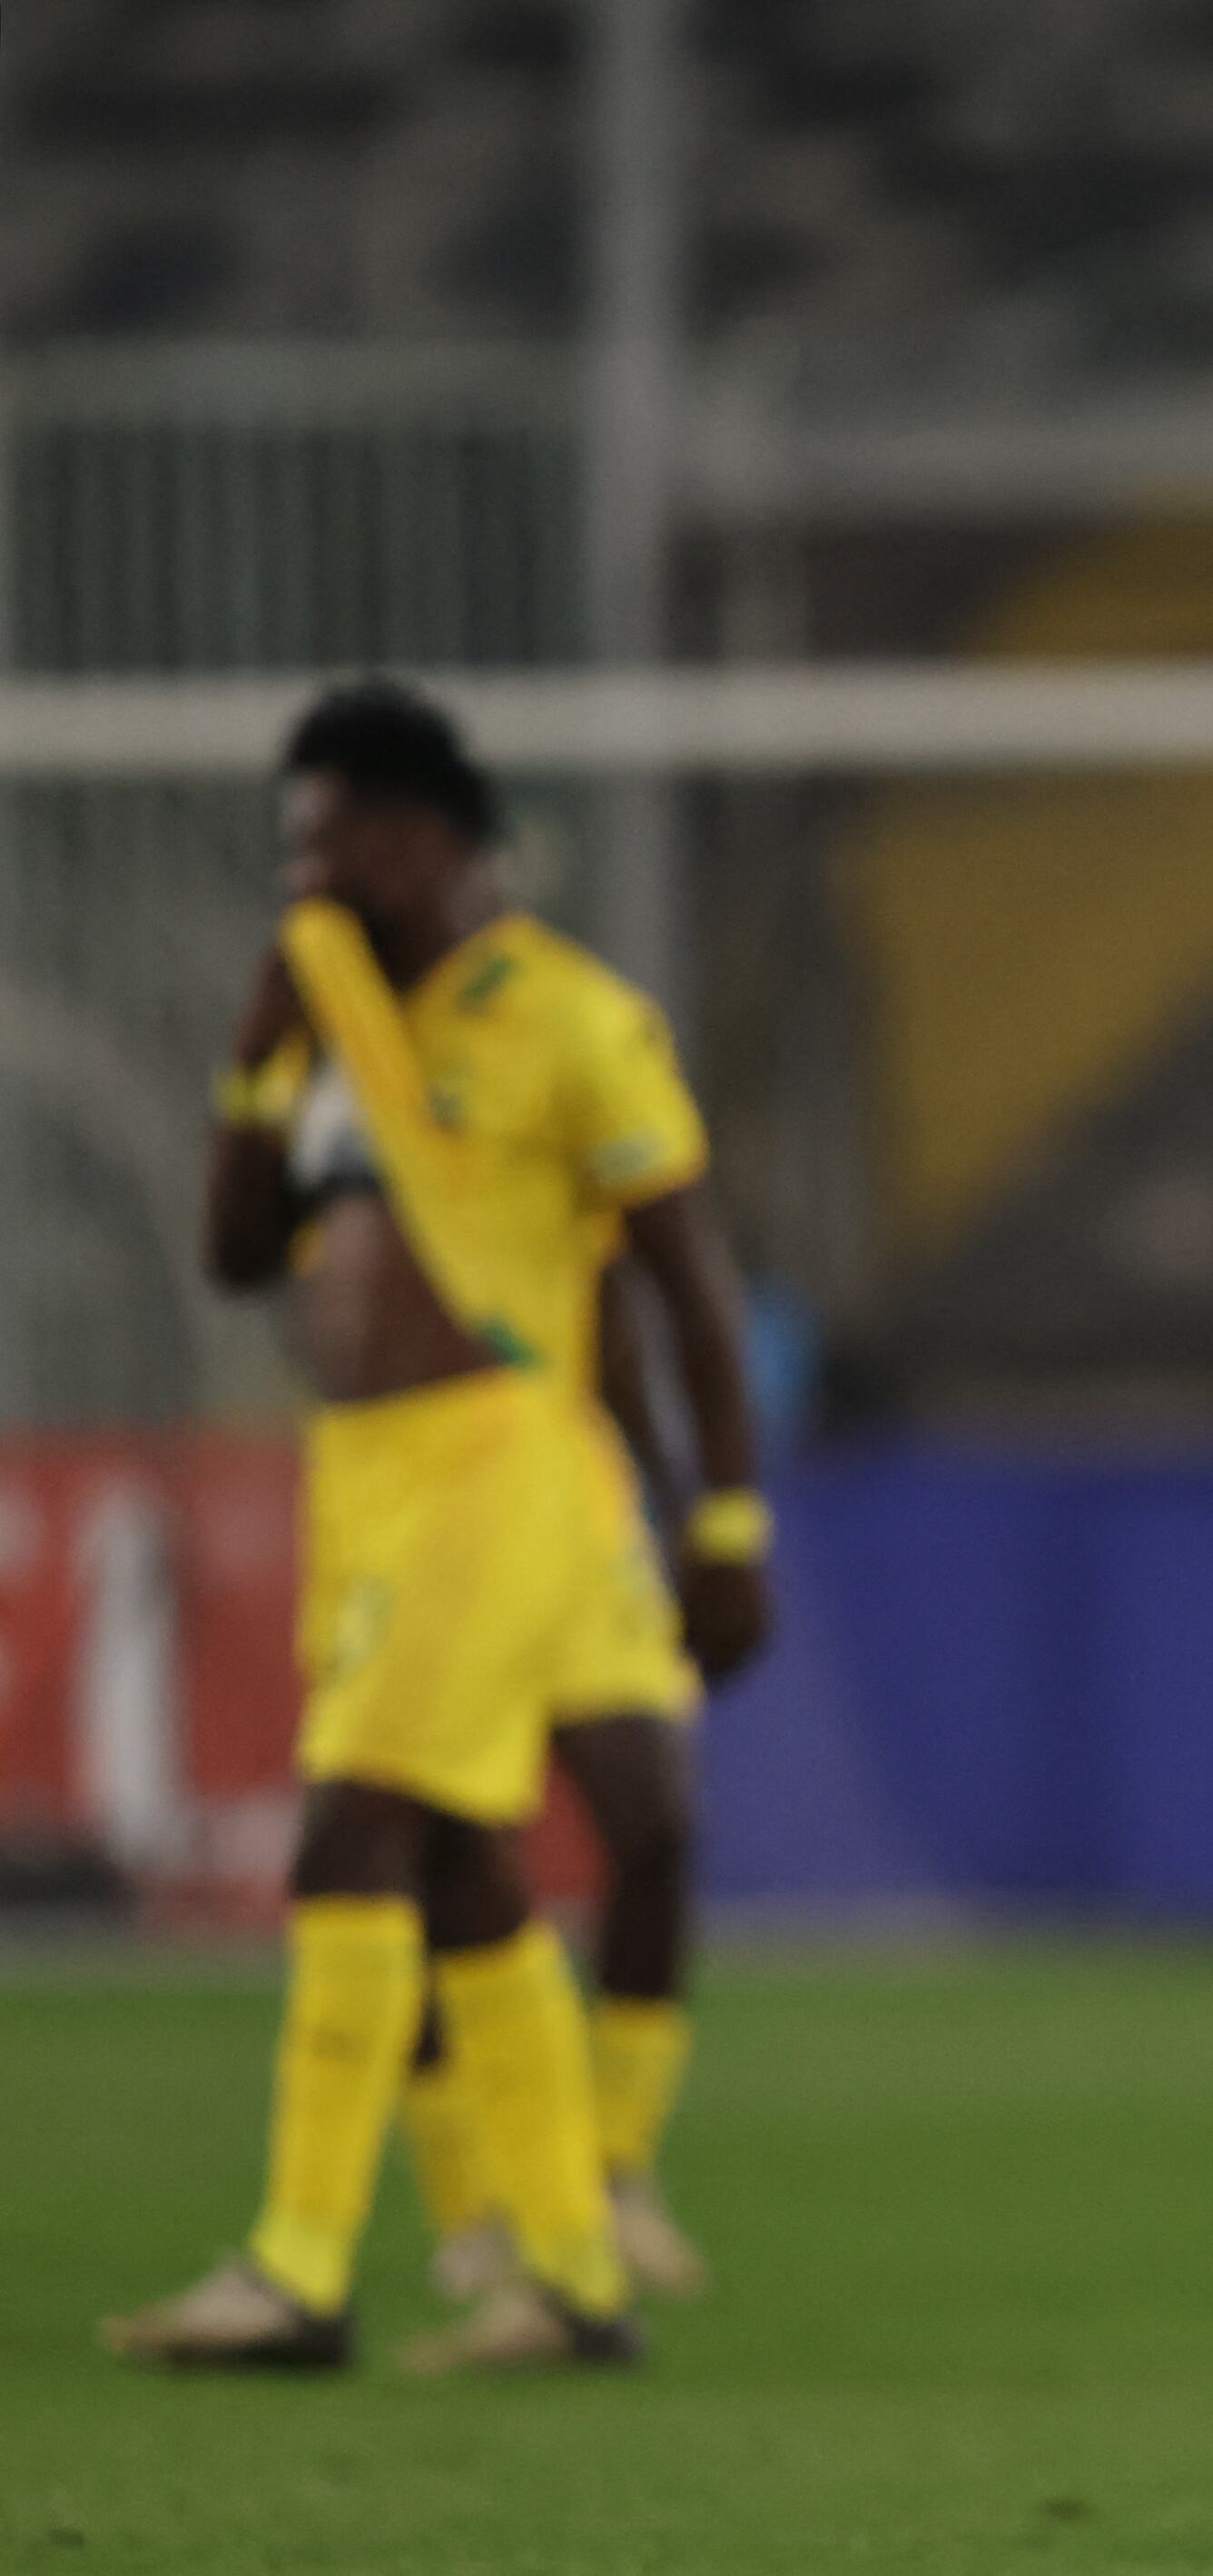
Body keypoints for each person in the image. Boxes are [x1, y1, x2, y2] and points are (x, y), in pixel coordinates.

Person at [103, 679, 774, 2373]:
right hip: (366, 1471)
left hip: (502, 1457)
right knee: (465, 1860)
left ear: (421, 839)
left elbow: (689, 1283)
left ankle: (300, 2265)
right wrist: (257, 1059)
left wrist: (725, 1516)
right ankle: (568, 2271)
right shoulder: (335, 1017)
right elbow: (238, 1257)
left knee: (357, 1833)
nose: (304, 875)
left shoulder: (570, 1019)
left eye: (324, 840)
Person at [410, 1258, 725, 2309]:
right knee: (436, 1846)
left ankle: (616, 2167)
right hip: (437, 1508)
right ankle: (472, 2203)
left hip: (581, 1514)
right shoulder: (385, 1159)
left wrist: (680, 1503)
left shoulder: (574, 1165)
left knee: (657, 1826)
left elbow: (617, 1299)